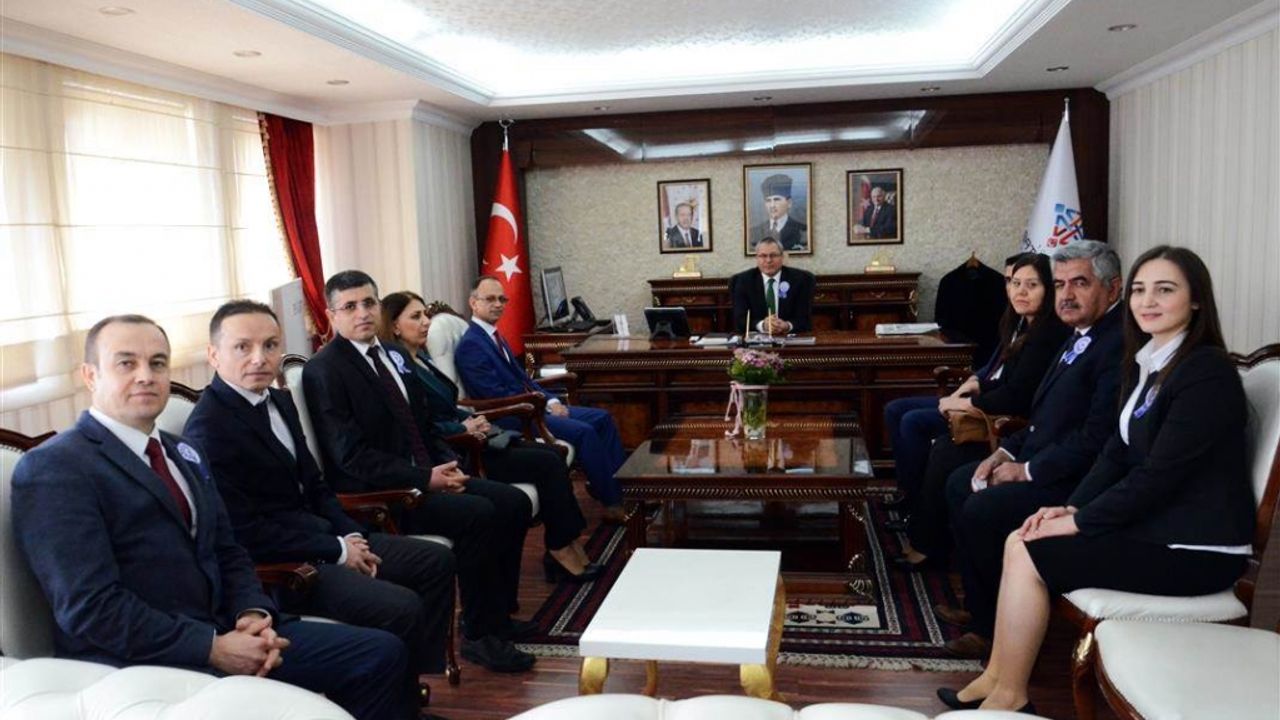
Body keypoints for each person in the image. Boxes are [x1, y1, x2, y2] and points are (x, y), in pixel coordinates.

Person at [11, 314, 418, 720]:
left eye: (157, 363)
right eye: (126, 363)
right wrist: (212, 647)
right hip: (142, 664)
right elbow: (92, 609)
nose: (145, 376)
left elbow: (228, 549)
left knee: (380, 654)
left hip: (227, 628)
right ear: (90, 375)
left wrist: (252, 614)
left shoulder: (180, 452)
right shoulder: (57, 468)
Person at [937, 245, 1254, 713]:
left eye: (1165, 290)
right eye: (1140, 290)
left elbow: (1157, 477)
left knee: (1029, 548)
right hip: (1155, 528)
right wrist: (1069, 507)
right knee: (1021, 538)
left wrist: (1080, 521)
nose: (1147, 301)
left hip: (1192, 548)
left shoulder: (1205, 372)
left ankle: (1010, 696)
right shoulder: (1153, 363)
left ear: (1196, 301)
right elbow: (1115, 452)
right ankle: (997, 677)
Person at [185, 299, 458, 680]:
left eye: (270, 345)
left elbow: (315, 483)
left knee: (435, 562)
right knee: (402, 606)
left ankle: (415, 681)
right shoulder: (209, 428)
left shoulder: (279, 400)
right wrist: (338, 550)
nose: (259, 358)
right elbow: (246, 533)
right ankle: (400, 689)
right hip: (287, 566)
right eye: (242, 347)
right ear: (214, 355)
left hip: (325, 537)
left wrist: (349, 534)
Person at [302, 270, 536, 674]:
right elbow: (351, 457)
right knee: (479, 514)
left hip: (428, 474)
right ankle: (478, 635)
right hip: (384, 495)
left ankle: (496, 615)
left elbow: (423, 423)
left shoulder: (392, 354)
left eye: (369, 303)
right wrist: (425, 479)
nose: (362, 313)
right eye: (350, 306)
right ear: (331, 315)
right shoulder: (325, 369)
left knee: (513, 502)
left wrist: (447, 465)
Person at [939, 240, 1125, 659]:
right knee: (960, 482)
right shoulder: (1079, 336)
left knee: (982, 508)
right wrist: (1003, 454)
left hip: (1076, 482)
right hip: (1041, 456)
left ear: (1113, 288)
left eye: (1080, 283)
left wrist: (1025, 471)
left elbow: (1096, 439)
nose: (1066, 295)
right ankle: (984, 607)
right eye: (1059, 285)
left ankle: (994, 630)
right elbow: (1043, 417)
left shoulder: (1116, 345)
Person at [380, 291, 603, 581]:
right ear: (394, 326)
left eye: (425, 315)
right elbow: (424, 423)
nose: (426, 322)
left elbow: (446, 405)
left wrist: (470, 418)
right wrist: (463, 428)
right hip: (461, 451)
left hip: (475, 435)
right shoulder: (398, 368)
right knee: (548, 463)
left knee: (551, 454)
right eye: (416, 317)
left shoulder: (421, 358)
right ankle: (560, 549)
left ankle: (566, 542)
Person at [889, 254, 1070, 567]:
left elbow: (1017, 396)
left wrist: (966, 403)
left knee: (941, 446)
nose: (1021, 292)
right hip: (993, 409)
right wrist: (974, 386)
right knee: (909, 419)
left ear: (1049, 289)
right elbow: (1001, 376)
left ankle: (928, 541)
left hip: (1011, 424)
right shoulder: (1017, 322)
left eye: (1032, 285)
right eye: (1015, 283)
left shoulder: (1047, 334)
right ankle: (917, 516)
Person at [455, 275, 627, 524]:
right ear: (473, 303)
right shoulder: (471, 345)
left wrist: (551, 401)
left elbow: (522, 379)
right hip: (512, 416)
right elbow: (494, 396)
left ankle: (622, 490)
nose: (498, 304)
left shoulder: (494, 336)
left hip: (533, 406)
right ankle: (613, 502)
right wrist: (541, 404)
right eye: (490, 299)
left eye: (502, 299)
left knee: (602, 418)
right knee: (584, 432)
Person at [730, 237, 816, 336]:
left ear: (782, 257)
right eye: (763, 256)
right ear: (757, 258)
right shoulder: (743, 281)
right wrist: (763, 325)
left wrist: (787, 325)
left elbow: (804, 319)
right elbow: (740, 321)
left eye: (773, 255)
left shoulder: (801, 279)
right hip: (757, 340)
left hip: (789, 339)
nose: (768, 260)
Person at [748, 173, 808, 252]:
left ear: (789, 203)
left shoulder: (802, 230)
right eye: (768, 200)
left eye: (776, 199)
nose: (772, 205)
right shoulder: (755, 232)